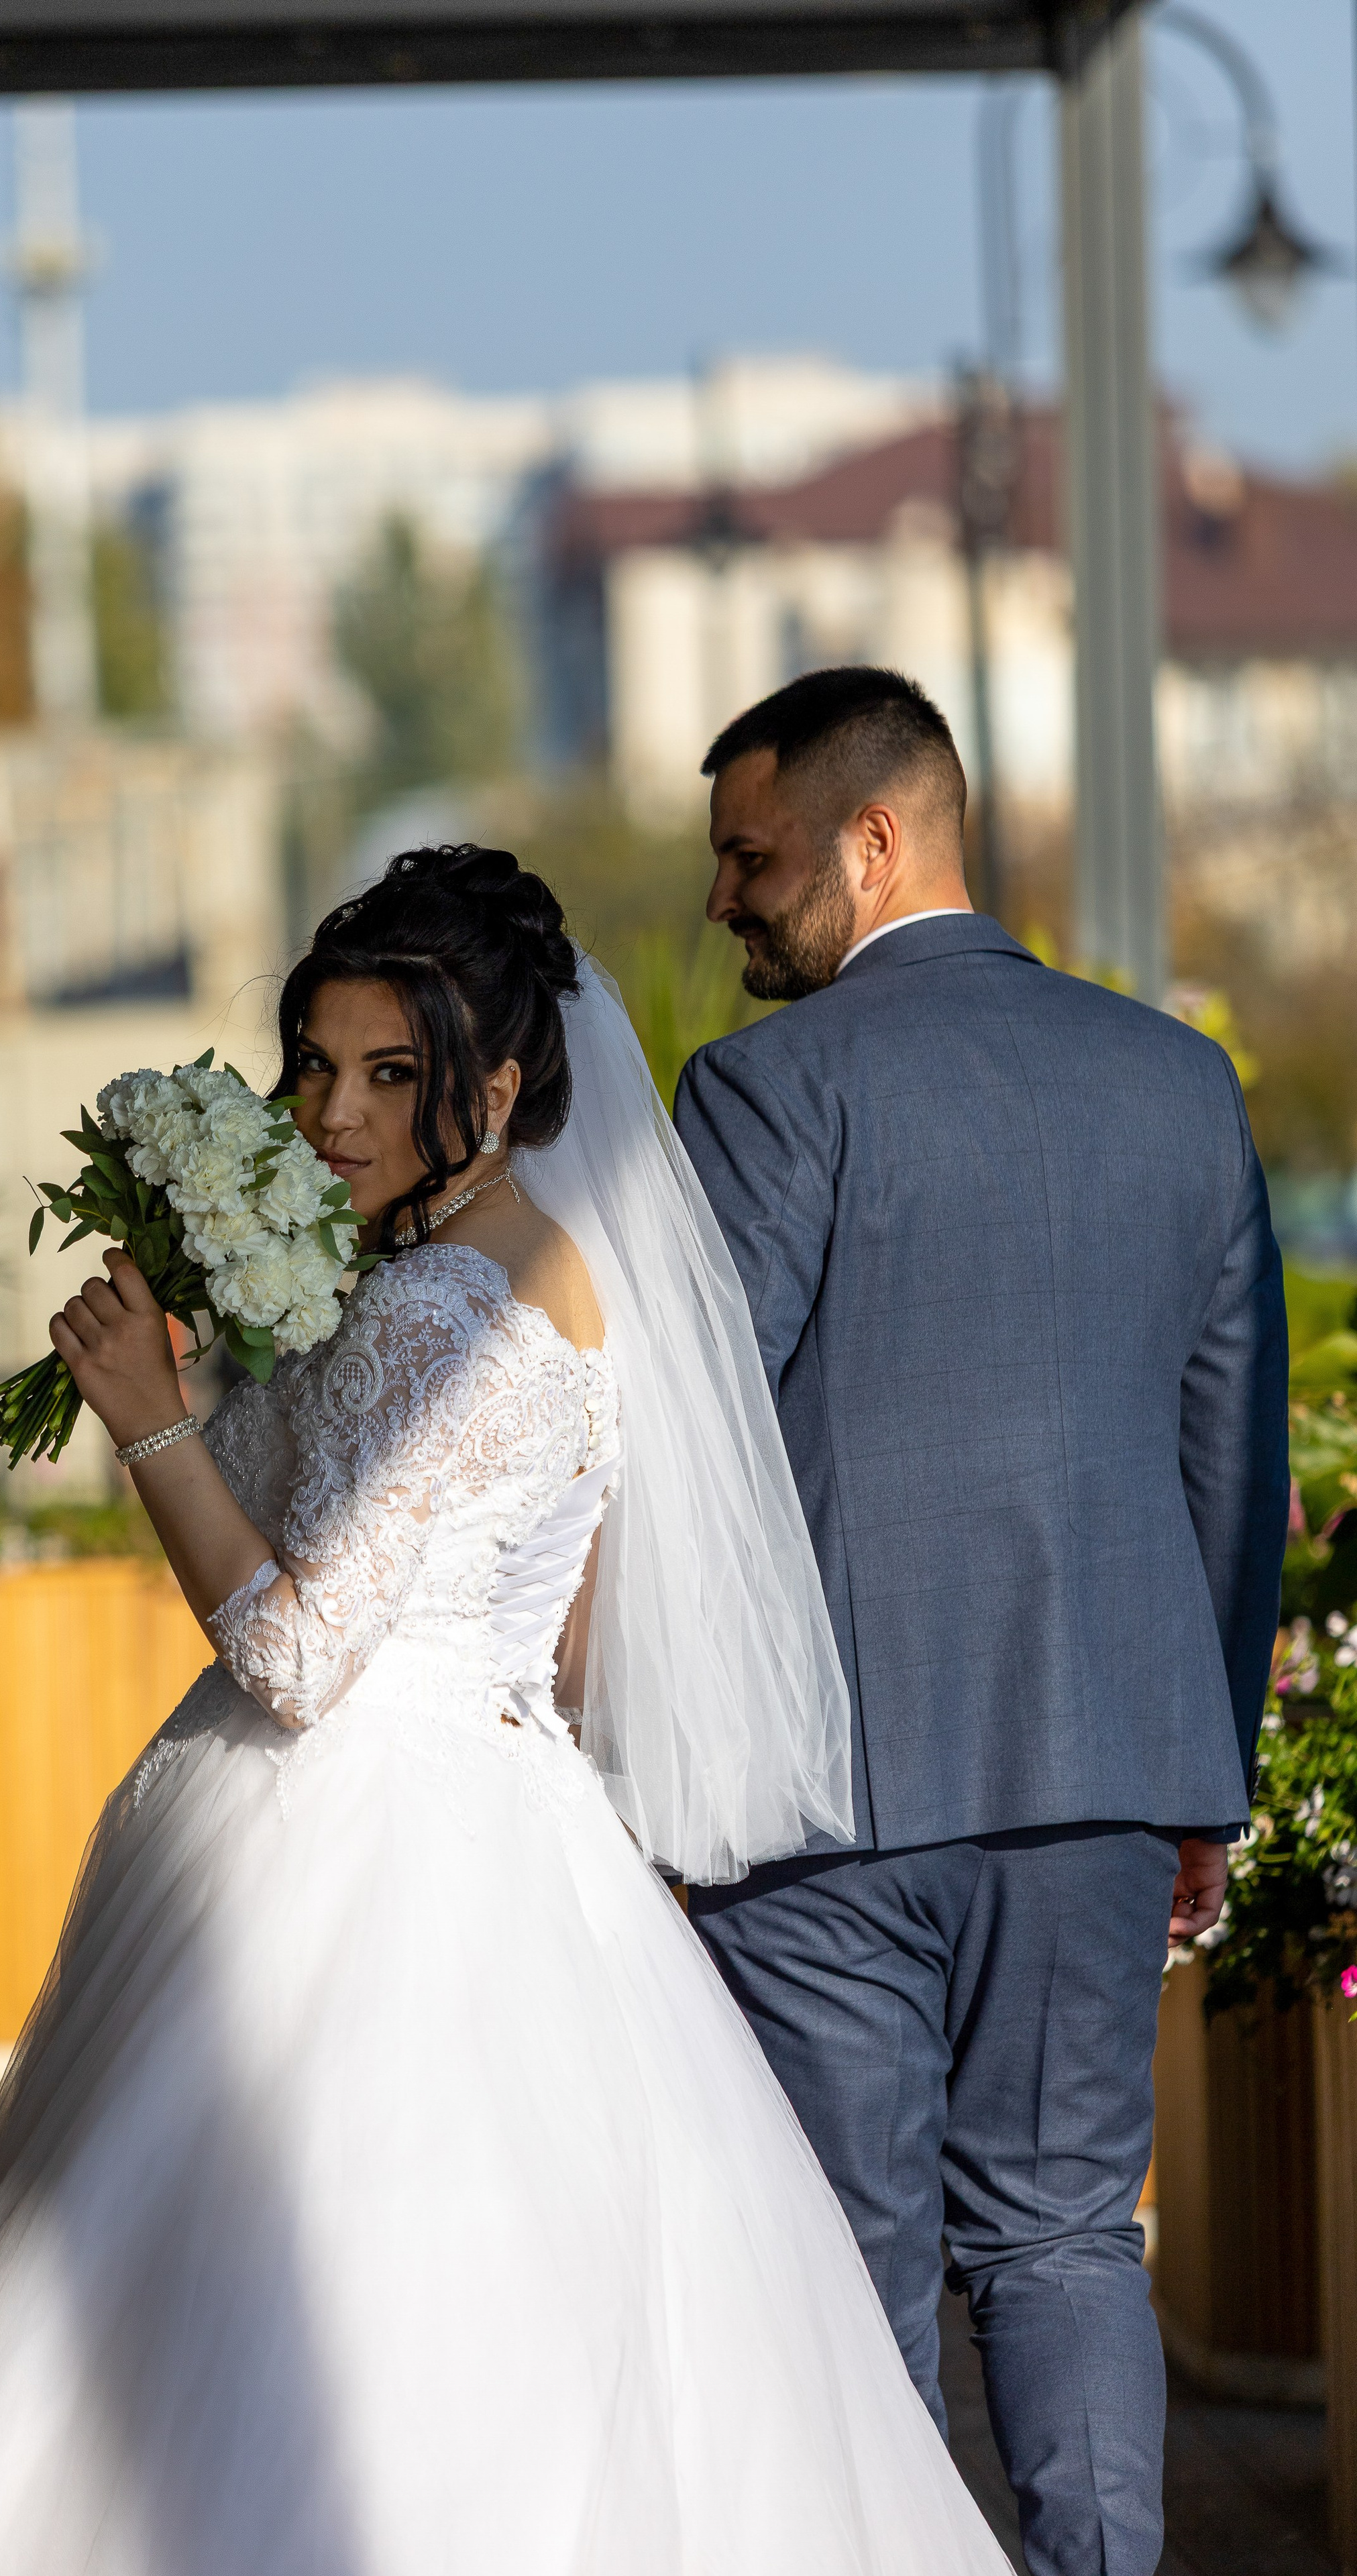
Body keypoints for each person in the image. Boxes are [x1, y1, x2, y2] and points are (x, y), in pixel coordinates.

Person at [0, 844, 1010, 2576]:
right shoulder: (523, 1265)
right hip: (513, 1826)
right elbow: (566, 1641)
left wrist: (149, 1420)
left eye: (388, 1074)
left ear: (495, 1092)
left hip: (360, 1850)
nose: (332, 1114)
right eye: (314, 1067)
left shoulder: (451, 1306)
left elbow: (293, 1657)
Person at [673, 667, 1291, 2576]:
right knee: (1067, 2239)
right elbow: (1232, 1457)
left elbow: (691, 1442)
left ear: (874, 841)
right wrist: (1203, 1774)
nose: (724, 899)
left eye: (751, 857)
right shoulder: (1177, 1082)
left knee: (850, 2265)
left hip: (824, 1801)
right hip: (1101, 1779)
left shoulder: (770, 1089)